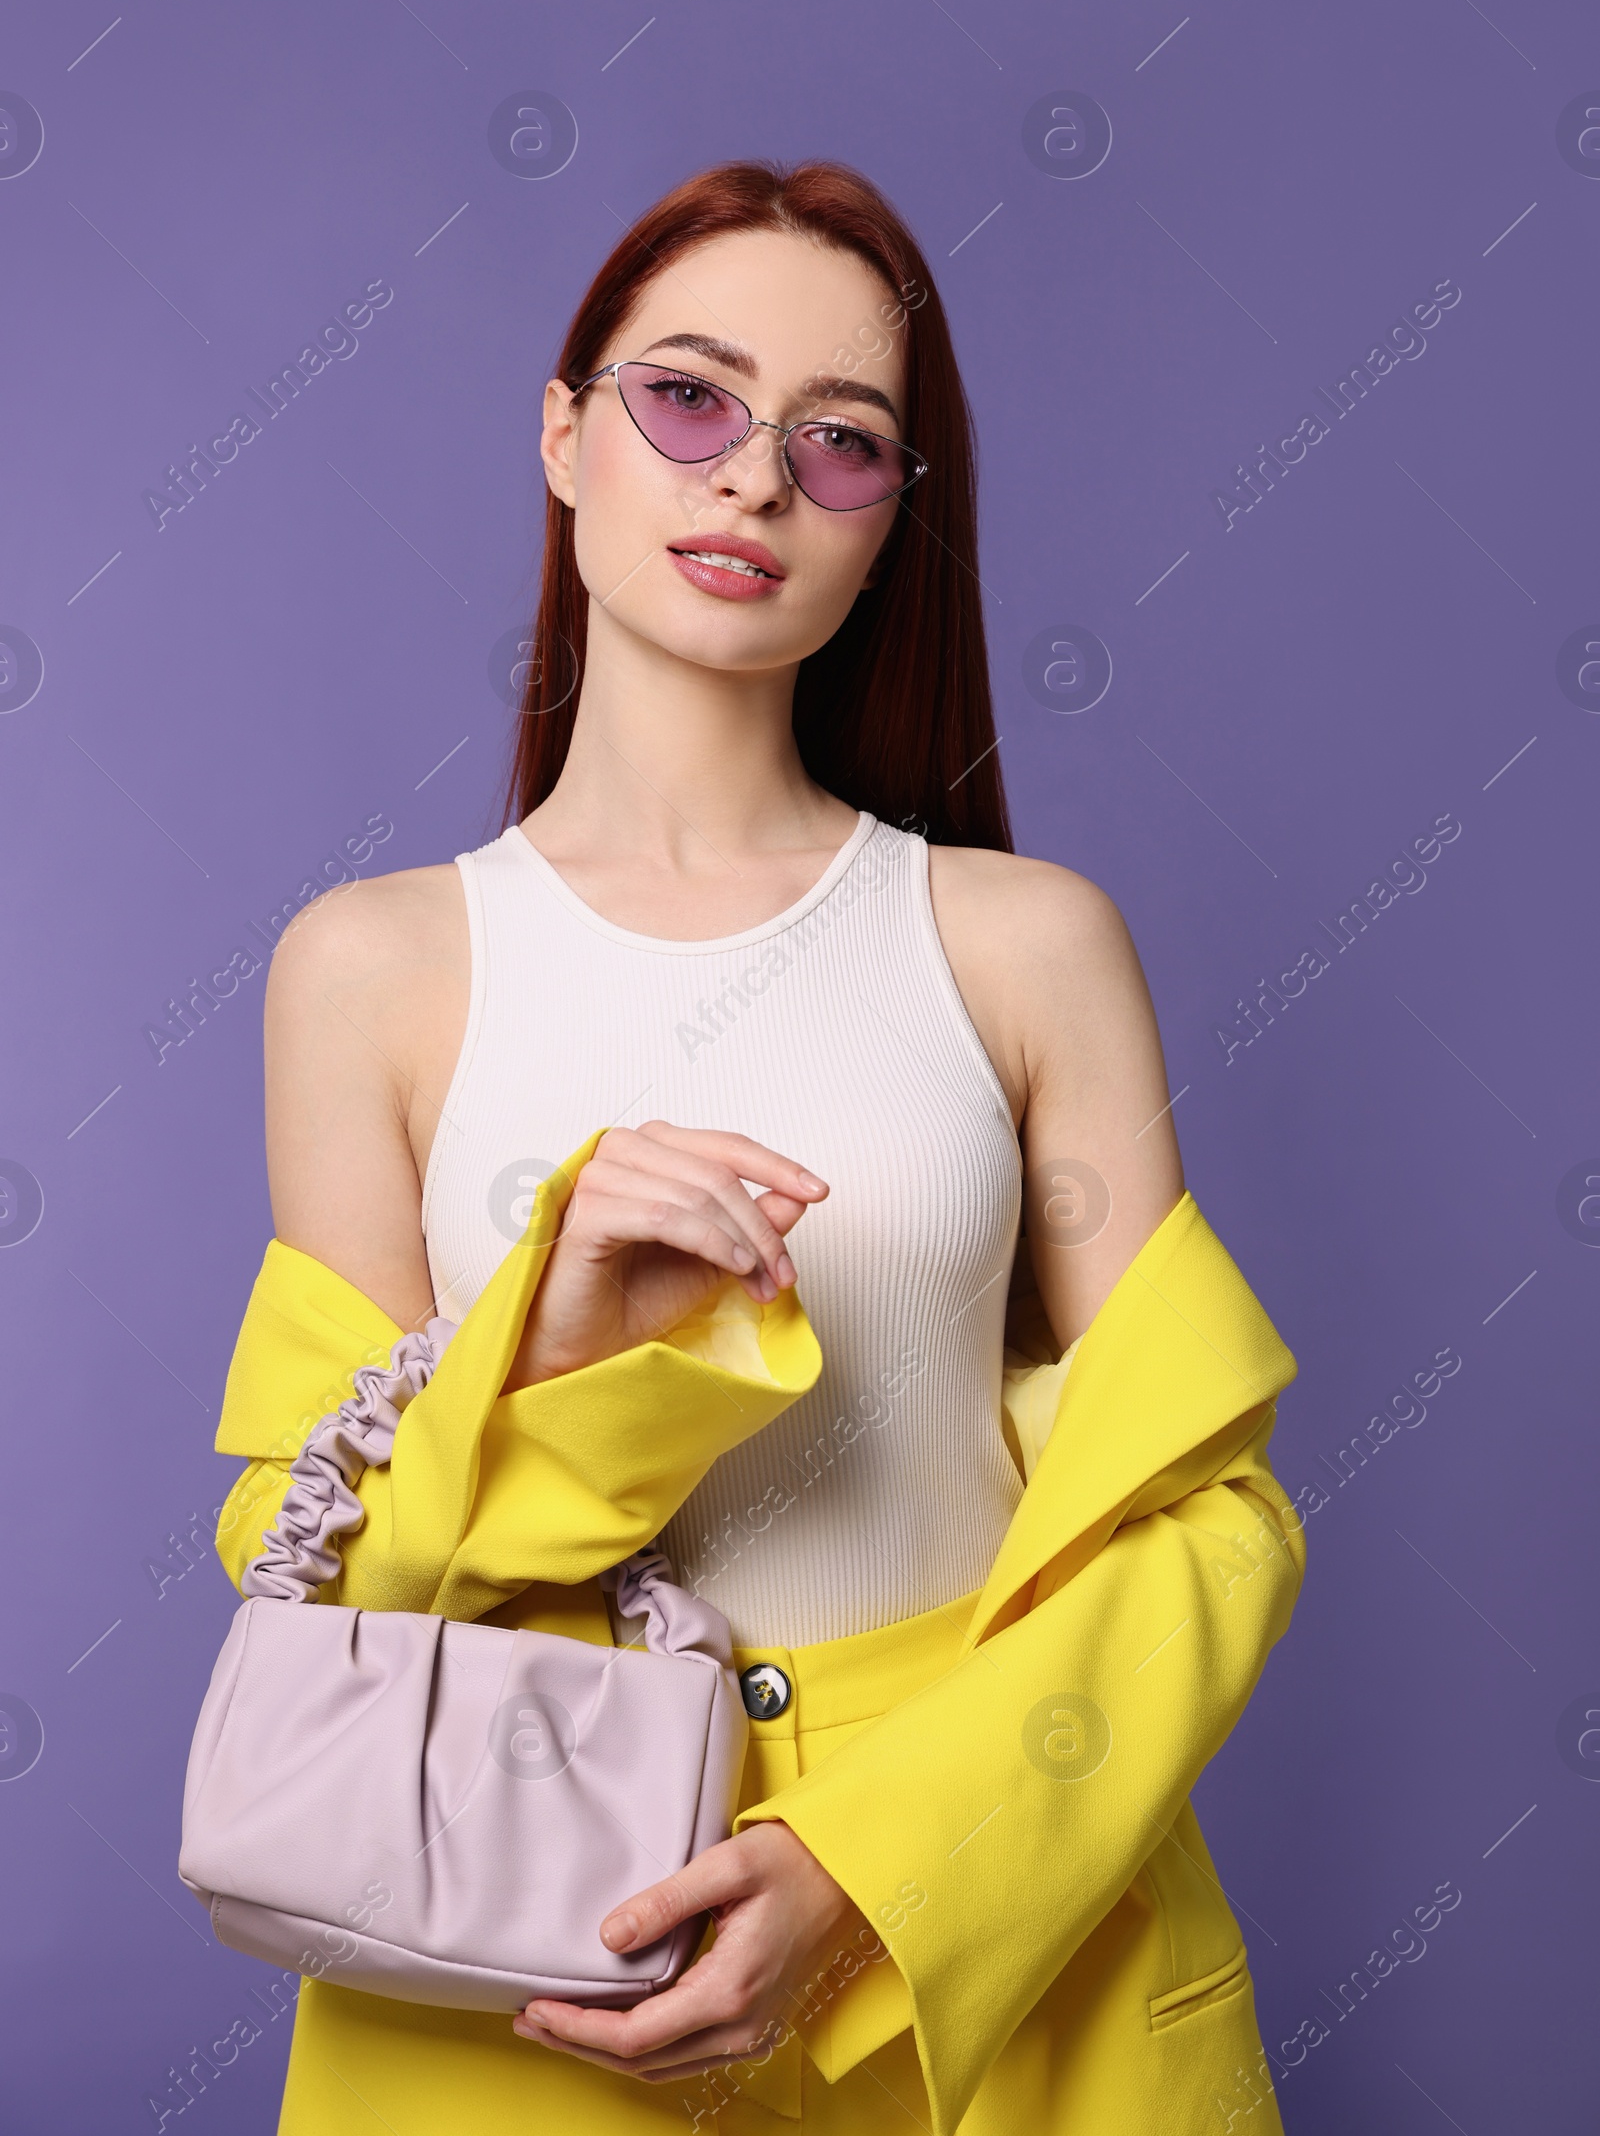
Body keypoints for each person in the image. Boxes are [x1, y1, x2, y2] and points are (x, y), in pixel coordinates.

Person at [223, 157, 1302, 2132]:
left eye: (844, 440)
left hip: (1004, 1966)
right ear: (564, 438)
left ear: (895, 522)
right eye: (690, 400)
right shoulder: (365, 970)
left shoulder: (1026, 943)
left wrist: (871, 1875)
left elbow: (1200, 1519)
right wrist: (545, 1344)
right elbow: (332, 1589)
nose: (753, 480)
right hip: (523, 1973)